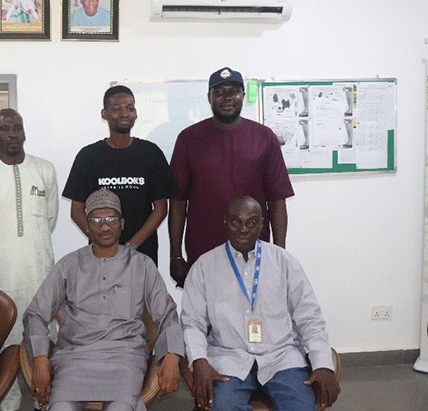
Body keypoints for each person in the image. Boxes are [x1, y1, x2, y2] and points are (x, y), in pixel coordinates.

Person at [23, 188, 184, 411]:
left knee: (121, 407)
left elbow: (167, 314)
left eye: (111, 219)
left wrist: (172, 355)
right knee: (60, 407)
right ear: (87, 226)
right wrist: (40, 358)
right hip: (74, 358)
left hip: (124, 358)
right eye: (97, 220)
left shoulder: (141, 265)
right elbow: (36, 313)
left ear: (122, 224)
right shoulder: (69, 265)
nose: (105, 226)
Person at [181, 196, 339, 411]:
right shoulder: (204, 267)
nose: (244, 229)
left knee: (302, 407)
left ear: (262, 224)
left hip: (281, 357)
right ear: (225, 223)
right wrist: (199, 360)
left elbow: (309, 317)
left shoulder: (284, 262)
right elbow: (192, 323)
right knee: (222, 408)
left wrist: (322, 364)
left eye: (252, 222)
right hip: (229, 358)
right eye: (236, 222)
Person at [0, 108, 58, 411]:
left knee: (41, 339)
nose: (12, 134)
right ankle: (9, 404)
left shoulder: (45, 170)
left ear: (24, 132)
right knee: (4, 342)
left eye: (17, 127)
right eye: (4, 128)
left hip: (39, 272)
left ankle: (44, 401)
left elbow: (50, 218)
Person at [169, 67, 294, 287]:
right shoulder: (188, 139)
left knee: (255, 313)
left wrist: (279, 253)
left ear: (243, 97)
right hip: (203, 248)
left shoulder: (264, 137)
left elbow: (277, 200)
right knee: (206, 316)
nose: (227, 97)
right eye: (219, 92)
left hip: (254, 249)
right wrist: (175, 256)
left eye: (234, 91)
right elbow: (177, 201)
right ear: (209, 97)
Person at [63, 85, 177, 266]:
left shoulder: (151, 153)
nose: (124, 113)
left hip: (142, 255)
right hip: (100, 257)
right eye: (116, 109)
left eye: (130, 108)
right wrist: (103, 242)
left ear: (136, 113)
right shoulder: (88, 156)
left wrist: (131, 246)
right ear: (104, 113)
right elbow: (77, 210)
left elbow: (161, 208)